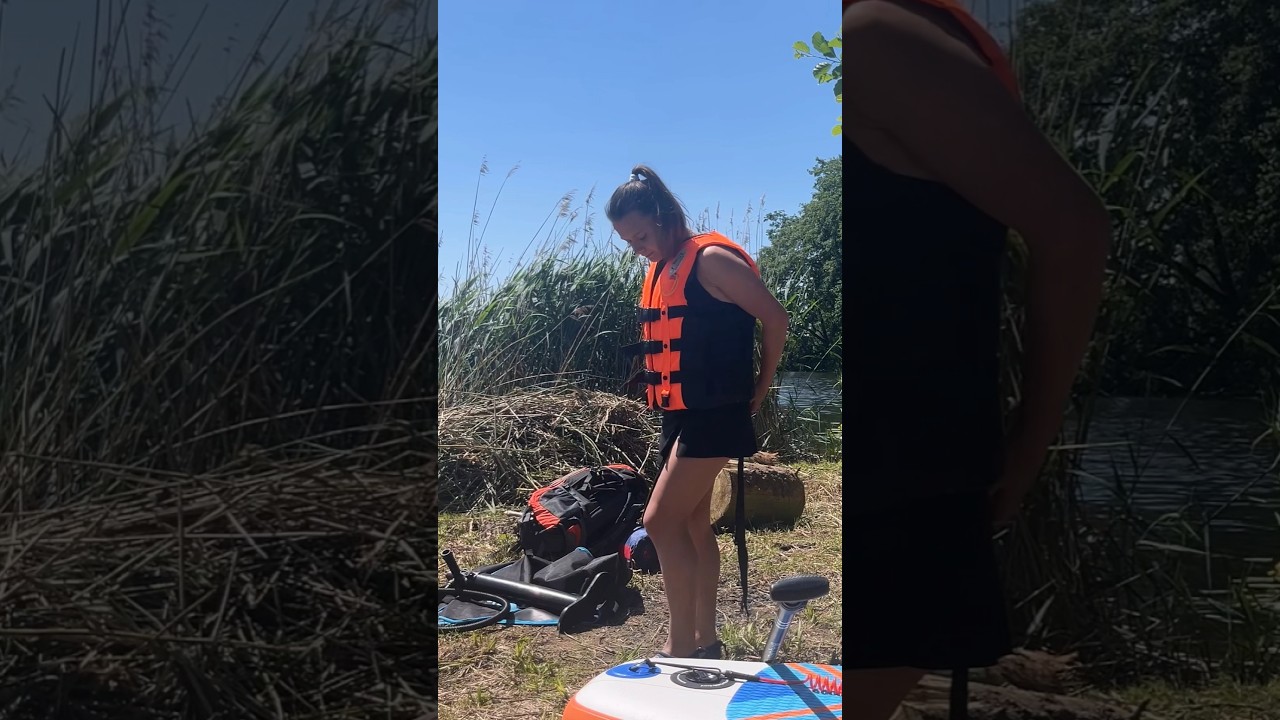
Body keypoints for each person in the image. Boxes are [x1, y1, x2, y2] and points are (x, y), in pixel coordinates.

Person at [844, 1, 1112, 718]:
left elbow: (1074, 229)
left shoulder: (870, 38)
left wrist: (1028, 444)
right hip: (878, 479)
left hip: (898, 485)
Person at [606, 164, 788, 659]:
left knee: (659, 522)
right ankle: (705, 643)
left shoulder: (710, 261)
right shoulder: (664, 267)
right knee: (689, 524)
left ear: (664, 217)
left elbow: (775, 316)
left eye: (641, 234)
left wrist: (762, 385)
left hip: (715, 414)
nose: (638, 246)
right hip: (681, 413)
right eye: (628, 241)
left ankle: (679, 645)